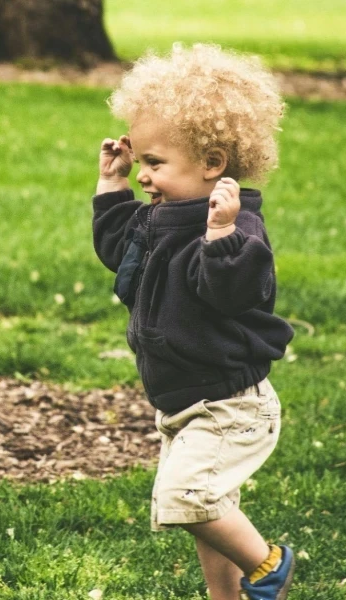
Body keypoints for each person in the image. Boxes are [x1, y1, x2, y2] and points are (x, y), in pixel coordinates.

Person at [92, 43, 296, 600]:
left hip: (230, 404)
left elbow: (234, 293)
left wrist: (222, 236)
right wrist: (111, 185)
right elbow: (120, 251)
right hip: (183, 399)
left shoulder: (236, 228)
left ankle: (269, 563)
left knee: (188, 498)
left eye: (154, 164)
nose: (143, 177)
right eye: (141, 163)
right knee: (211, 505)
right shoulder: (157, 218)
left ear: (212, 164)